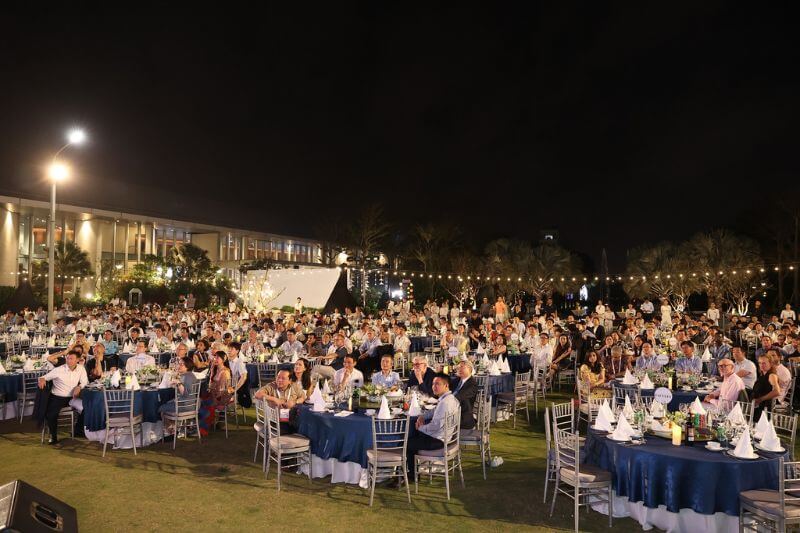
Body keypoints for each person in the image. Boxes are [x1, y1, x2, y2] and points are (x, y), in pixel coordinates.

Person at [399, 374, 460, 484]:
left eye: (437, 384)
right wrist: (422, 416)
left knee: (406, 443)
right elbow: (434, 411)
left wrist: (421, 428)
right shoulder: (450, 398)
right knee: (413, 436)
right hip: (446, 437)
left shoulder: (445, 403)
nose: (434, 387)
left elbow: (436, 425)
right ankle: (413, 470)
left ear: (446, 385)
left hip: (438, 440)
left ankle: (411, 475)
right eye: (433, 384)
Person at [38, 350, 88, 445]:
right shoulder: (59, 369)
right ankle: (53, 436)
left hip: (72, 397)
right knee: (51, 415)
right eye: (67, 358)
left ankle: (78, 431)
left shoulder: (81, 368)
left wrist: (79, 387)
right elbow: (44, 377)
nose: (69, 360)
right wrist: (42, 379)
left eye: (71, 358)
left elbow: (84, 381)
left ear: (77, 360)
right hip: (57, 397)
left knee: (86, 407)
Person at [158, 357, 199, 437]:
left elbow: (186, 394)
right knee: (168, 403)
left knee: (161, 407)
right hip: (191, 404)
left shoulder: (186, 377)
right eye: (178, 364)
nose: (178, 366)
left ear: (187, 366)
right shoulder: (190, 375)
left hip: (184, 406)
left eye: (181, 364)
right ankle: (173, 428)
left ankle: (171, 431)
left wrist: (178, 383)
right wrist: (177, 384)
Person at [199, 351, 233, 436]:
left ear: (223, 359)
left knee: (205, 403)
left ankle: (203, 427)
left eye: (218, 357)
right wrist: (211, 369)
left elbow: (223, 389)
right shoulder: (216, 368)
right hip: (214, 394)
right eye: (215, 357)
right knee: (200, 401)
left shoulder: (225, 372)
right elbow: (210, 384)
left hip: (222, 396)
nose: (215, 359)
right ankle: (203, 425)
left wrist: (213, 396)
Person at [752, 353, 782, 420]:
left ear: (771, 364)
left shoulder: (771, 375)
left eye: (764, 363)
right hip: (758, 406)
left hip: (765, 408)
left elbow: (777, 391)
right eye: (759, 363)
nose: (761, 365)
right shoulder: (762, 375)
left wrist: (760, 399)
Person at [452, 360, 478, 430]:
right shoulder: (456, 380)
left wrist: (446, 399)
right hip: (450, 409)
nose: (459, 370)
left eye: (462, 368)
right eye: (458, 368)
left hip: (462, 416)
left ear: (469, 369)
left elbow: (460, 396)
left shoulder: (472, 384)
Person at [226, 342, 250, 408]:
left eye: (231, 349)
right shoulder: (226, 361)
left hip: (231, 385)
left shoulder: (239, 362)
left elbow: (244, 377)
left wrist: (235, 389)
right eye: (228, 349)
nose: (229, 350)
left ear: (237, 351)